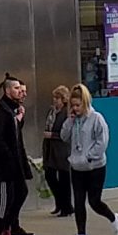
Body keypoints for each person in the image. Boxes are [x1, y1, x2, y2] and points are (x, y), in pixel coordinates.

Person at [59, 83, 118, 235]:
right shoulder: (73, 120)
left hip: (94, 166)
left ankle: (114, 218)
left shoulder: (96, 119)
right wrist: (69, 120)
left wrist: (89, 156)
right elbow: (64, 136)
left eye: (78, 105)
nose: (75, 109)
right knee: (78, 201)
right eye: (73, 105)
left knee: (94, 201)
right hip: (76, 166)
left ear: (85, 103)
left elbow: (102, 142)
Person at [0, 76, 36, 235]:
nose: (20, 92)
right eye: (16, 88)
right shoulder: (1, 111)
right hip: (4, 166)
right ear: (7, 90)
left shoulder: (12, 110)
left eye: (21, 88)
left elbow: (15, 135)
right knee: (5, 198)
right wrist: (9, 157)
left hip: (14, 163)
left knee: (19, 193)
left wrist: (19, 119)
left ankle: (6, 227)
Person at [40, 84, 75, 221]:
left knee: (64, 179)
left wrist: (53, 135)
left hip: (62, 149)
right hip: (50, 149)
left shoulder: (66, 113)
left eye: (57, 98)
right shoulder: (52, 112)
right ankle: (59, 203)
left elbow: (67, 133)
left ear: (63, 99)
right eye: (54, 98)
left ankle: (66, 206)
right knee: (50, 176)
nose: (55, 100)